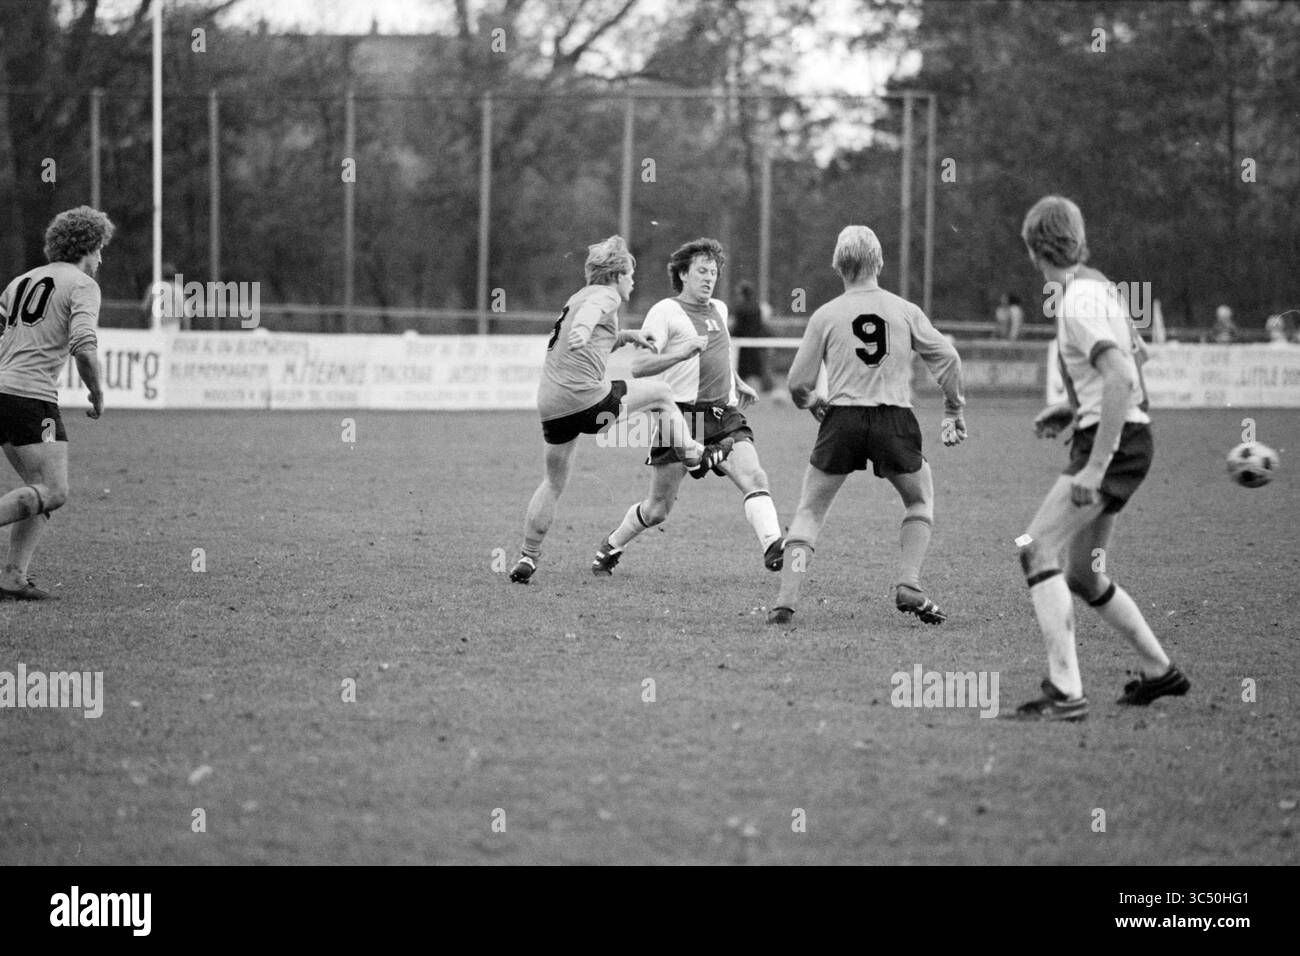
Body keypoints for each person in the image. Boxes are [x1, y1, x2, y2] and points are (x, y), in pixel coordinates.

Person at [1013, 195, 1189, 721]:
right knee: (1084, 576)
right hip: (1122, 437)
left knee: (1033, 546)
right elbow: (1134, 360)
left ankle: (1065, 692)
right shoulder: (1098, 287)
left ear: (1033, 249)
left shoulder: (1078, 301)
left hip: (1111, 447)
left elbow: (1120, 376)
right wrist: (1074, 407)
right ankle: (1160, 672)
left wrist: (1095, 464)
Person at [768, 225, 967, 626]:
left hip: (842, 420)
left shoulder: (825, 315)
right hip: (894, 418)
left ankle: (785, 602)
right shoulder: (904, 310)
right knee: (919, 499)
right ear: (879, 263)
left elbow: (797, 383)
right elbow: (948, 359)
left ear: (839, 266)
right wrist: (953, 409)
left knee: (809, 511)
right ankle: (909, 582)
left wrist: (811, 401)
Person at [508, 236, 731, 584]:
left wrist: (627, 336)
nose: (632, 280)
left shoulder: (576, 296)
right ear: (615, 274)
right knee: (661, 393)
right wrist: (583, 330)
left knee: (553, 482)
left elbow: (594, 340)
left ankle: (527, 556)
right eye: (630, 274)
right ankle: (694, 455)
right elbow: (588, 320)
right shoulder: (605, 295)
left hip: (551, 403)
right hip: (585, 400)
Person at [591, 238, 784, 576]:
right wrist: (682, 353)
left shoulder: (720, 309)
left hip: (724, 414)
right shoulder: (665, 312)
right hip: (680, 417)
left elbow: (719, 353)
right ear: (682, 274)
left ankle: (773, 545)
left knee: (755, 475)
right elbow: (639, 368)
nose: (709, 278)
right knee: (657, 510)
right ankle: (611, 545)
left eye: (714, 272)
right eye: (701, 271)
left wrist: (736, 381)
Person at [0, 206, 112, 600]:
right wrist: (97, 392)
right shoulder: (82, 284)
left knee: (38, 486)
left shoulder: (20, 281)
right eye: (100, 250)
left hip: (4, 392)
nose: (101, 259)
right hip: (30, 398)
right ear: (90, 246)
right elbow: (84, 347)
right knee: (55, 489)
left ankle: (13, 576)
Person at [731, 281, 773, 394]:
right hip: (756, 344)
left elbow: (738, 328)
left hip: (743, 346)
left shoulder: (740, 308)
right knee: (758, 369)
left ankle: (736, 390)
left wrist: (730, 335)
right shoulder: (757, 307)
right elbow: (759, 326)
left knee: (741, 370)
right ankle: (768, 388)